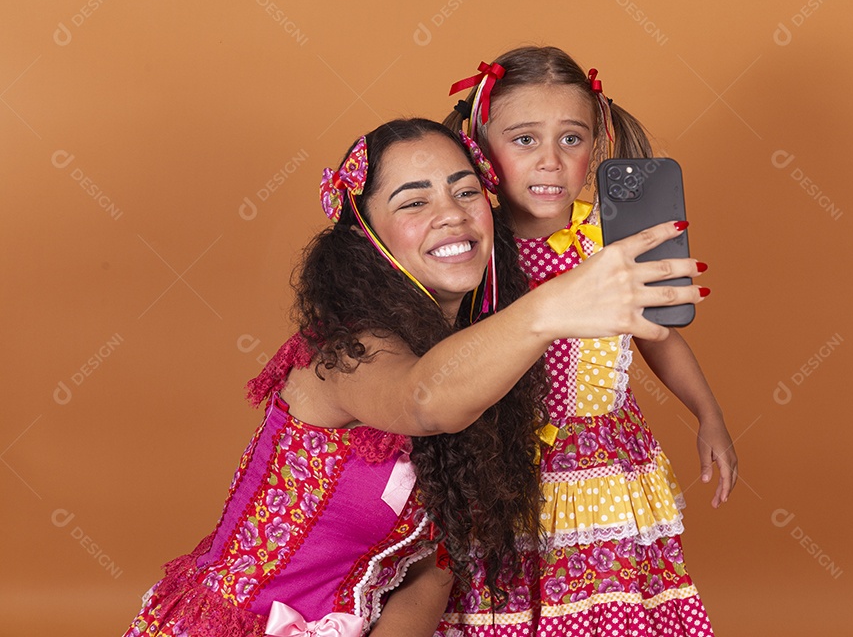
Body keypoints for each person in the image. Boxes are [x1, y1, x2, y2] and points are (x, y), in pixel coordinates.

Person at [124, 118, 705, 637]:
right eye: (412, 202)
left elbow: (431, 573)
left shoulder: (476, 359)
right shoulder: (342, 349)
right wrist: (555, 305)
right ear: (365, 234)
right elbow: (424, 399)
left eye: (466, 191)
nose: (451, 214)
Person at [441, 48, 738, 636]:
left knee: (606, 608)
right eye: (524, 140)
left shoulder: (612, 241)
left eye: (571, 140)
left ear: (596, 143)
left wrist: (708, 414)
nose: (550, 161)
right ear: (480, 145)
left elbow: (657, 333)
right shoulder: (468, 248)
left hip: (601, 467)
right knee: (504, 600)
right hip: (500, 463)